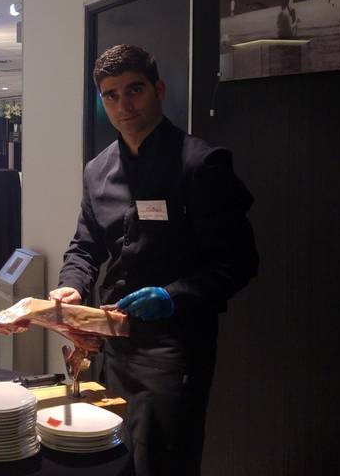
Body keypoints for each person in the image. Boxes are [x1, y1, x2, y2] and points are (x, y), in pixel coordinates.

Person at [49, 44, 258, 476]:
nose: (123, 105)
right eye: (111, 95)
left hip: (173, 346)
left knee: (163, 462)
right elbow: (85, 246)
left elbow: (238, 261)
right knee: (110, 456)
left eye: (134, 90)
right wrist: (72, 283)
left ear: (158, 89)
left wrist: (173, 295)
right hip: (112, 342)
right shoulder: (97, 171)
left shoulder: (201, 164)